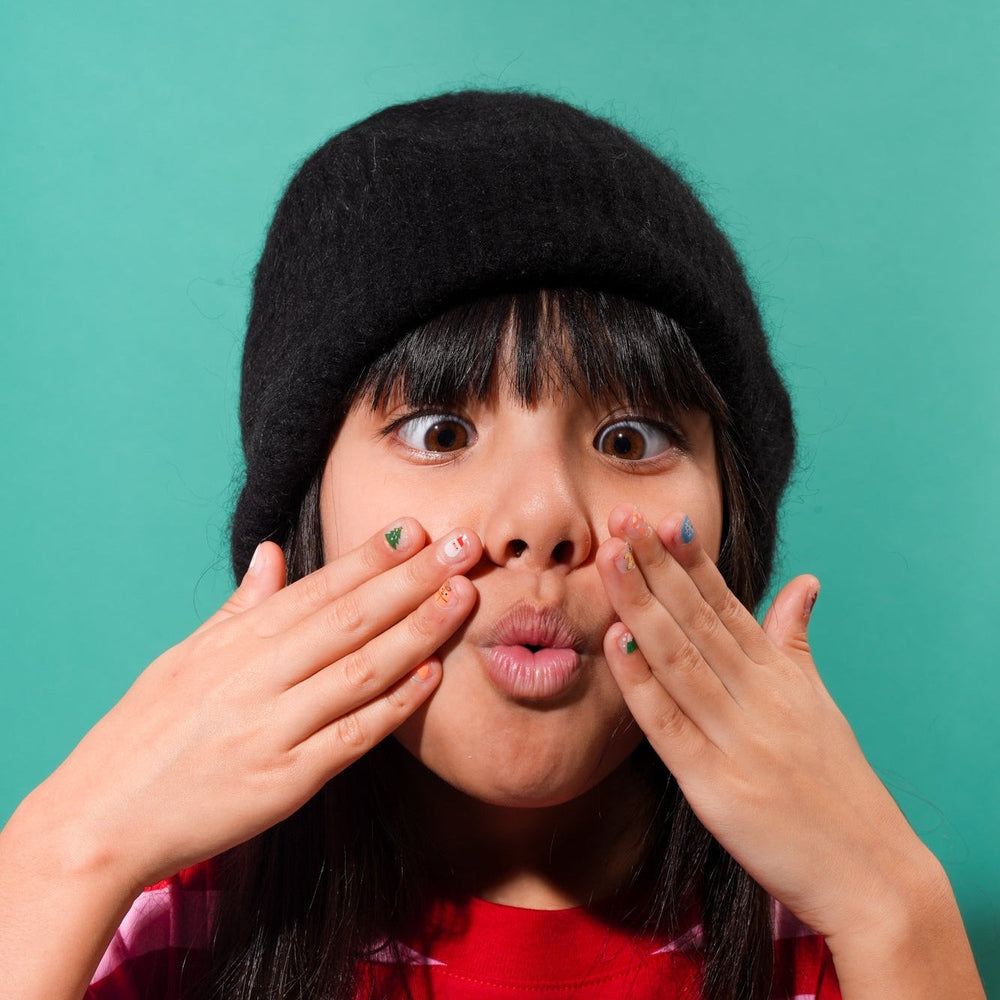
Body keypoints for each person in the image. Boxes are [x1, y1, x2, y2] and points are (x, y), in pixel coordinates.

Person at [0, 91, 985, 1000]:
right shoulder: (161, 927)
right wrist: (59, 855)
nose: (543, 519)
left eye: (629, 439)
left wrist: (896, 907)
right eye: (439, 431)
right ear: (301, 517)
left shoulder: (836, 941)